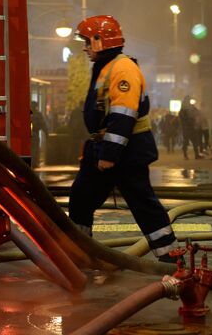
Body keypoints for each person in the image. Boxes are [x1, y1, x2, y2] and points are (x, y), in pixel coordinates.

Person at [67, 15, 179, 263]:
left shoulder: (122, 68)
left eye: (87, 41)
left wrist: (109, 155)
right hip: (107, 148)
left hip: (124, 152)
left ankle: (171, 257)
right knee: (81, 198)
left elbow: (123, 116)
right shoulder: (107, 67)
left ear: (99, 40)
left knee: (142, 203)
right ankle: (77, 252)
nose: (85, 47)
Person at [177, 95, 203, 160]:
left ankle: (196, 155)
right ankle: (185, 155)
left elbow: (197, 112)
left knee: (194, 142)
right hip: (186, 128)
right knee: (186, 142)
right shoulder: (183, 109)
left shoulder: (191, 107)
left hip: (191, 127)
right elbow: (182, 118)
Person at [30, 101, 49, 168]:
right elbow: (43, 124)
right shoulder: (38, 114)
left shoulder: (27, 113)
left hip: (28, 134)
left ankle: (31, 163)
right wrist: (46, 133)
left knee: (31, 148)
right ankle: (34, 163)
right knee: (35, 149)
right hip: (35, 133)